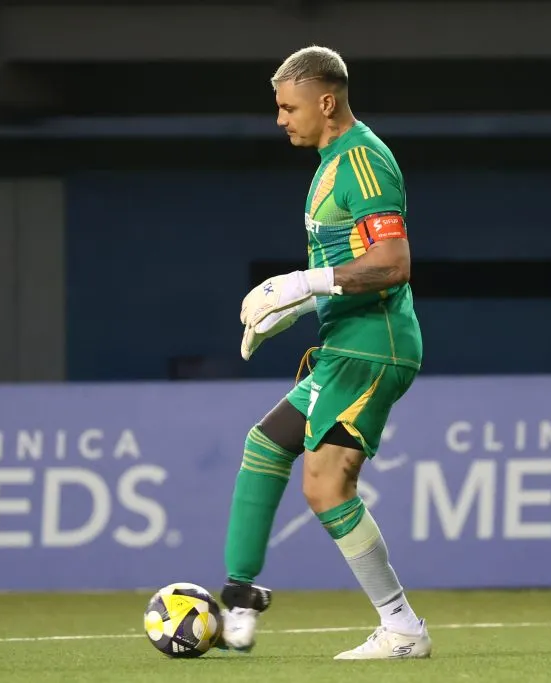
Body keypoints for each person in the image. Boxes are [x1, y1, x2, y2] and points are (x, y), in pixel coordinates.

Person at [218, 45, 432, 660]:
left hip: (374, 348)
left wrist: (304, 283)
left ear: (326, 101)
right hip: (345, 343)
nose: (281, 119)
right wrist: (298, 305)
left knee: (326, 486)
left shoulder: (363, 160)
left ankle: (402, 628)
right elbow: (351, 265)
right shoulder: (329, 162)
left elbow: (392, 265)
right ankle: (239, 595)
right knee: (267, 444)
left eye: (288, 107)